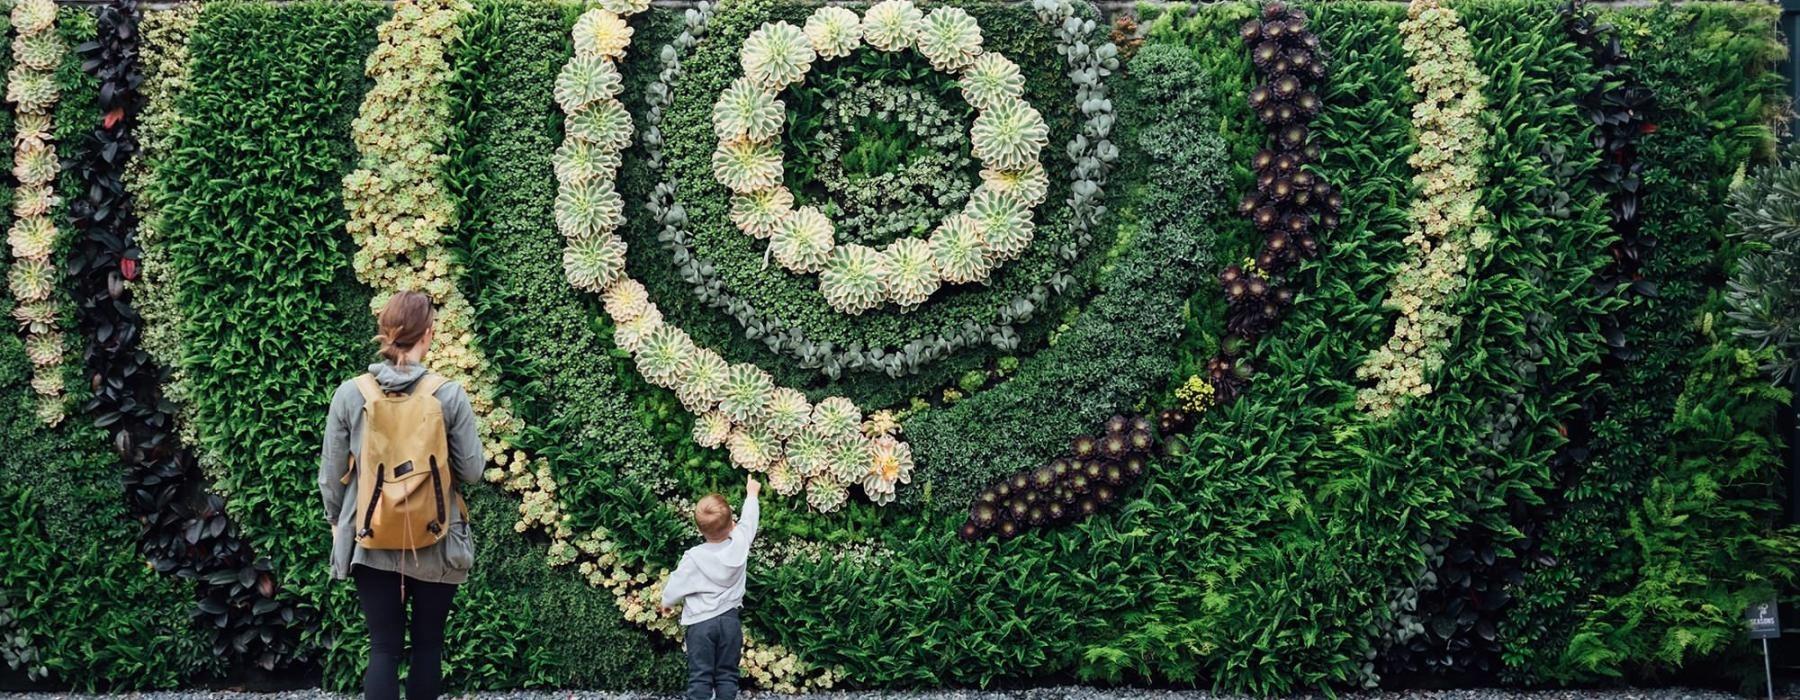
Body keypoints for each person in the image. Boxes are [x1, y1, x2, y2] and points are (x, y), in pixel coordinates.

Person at [319, 291, 481, 700]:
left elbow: (331, 474)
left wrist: (339, 520)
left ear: (384, 334)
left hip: (370, 533)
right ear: (428, 334)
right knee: (428, 645)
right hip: (437, 532)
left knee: (383, 647)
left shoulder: (350, 393)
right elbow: (472, 472)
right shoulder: (449, 394)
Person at [660, 477, 762, 700]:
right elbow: (750, 521)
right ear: (732, 522)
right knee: (727, 675)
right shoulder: (740, 544)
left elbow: (677, 584)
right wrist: (752, 494)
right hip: (729, 622)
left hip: (701, 625)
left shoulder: (694, 557)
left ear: (698, 528)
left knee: (700, 676)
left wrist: (667, 603)